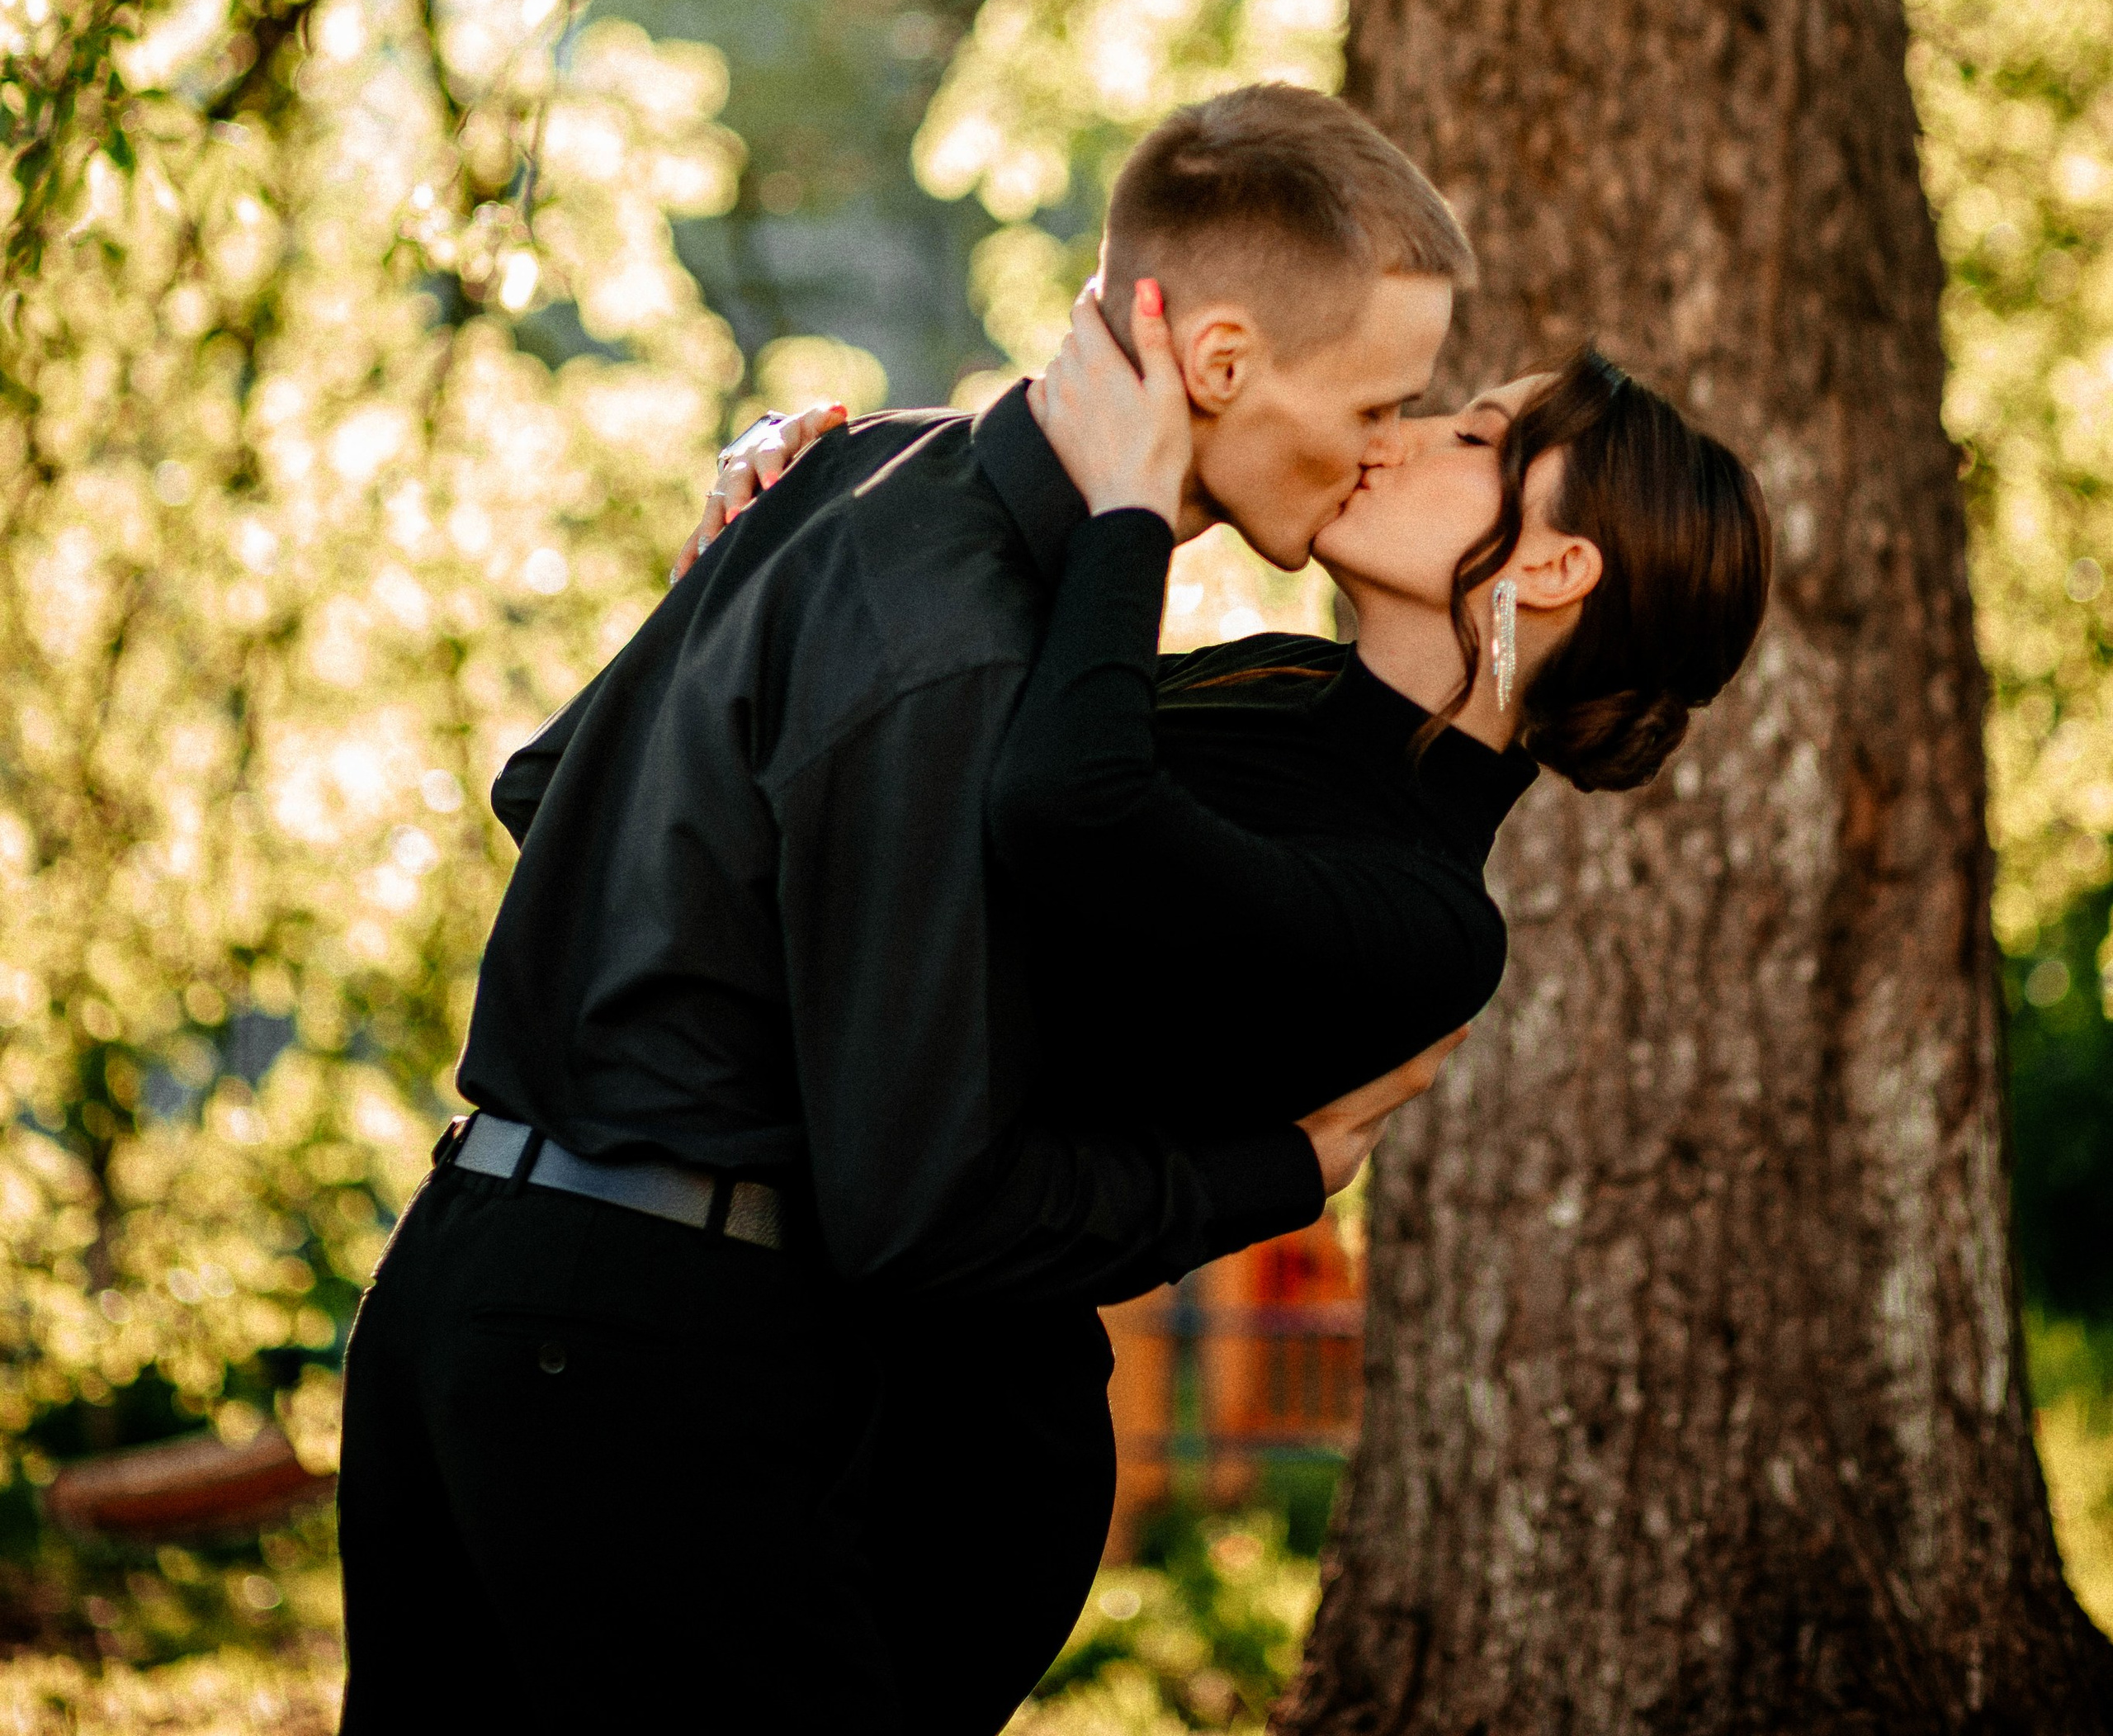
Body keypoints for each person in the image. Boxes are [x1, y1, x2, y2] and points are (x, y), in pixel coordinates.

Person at [333, 84, 1478, 1734]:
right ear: (1216, 365)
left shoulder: (864, 467)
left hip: (474, 1280)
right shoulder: (970, 643)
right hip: (639, 1367)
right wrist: (1280, 1169)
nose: (1385, 444)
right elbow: (925, 1205)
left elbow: (549, 791)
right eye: (1376, 399)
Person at [687, 286, 1772, 1732]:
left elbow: (1068, 811)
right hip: (755, 1360)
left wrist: (1131, 508)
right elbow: (905, 776)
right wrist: (783, 541)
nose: (1394, 436)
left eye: (1474, 433)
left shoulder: (1429, 920)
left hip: (941, 1456)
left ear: (1558, 565)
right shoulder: (1282, 679)